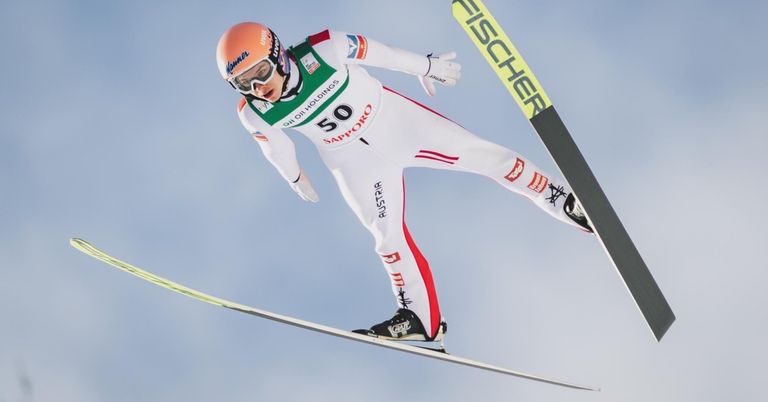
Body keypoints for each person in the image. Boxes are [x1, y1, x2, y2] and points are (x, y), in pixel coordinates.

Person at [216, 22, 592, 345]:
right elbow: (275, 149)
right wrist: (295, 177)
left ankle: (560, 198)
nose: (258, 87)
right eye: (243, 83)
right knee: (388, 240)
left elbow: (382, 54)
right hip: (353, 163)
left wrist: (424, 66)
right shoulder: (254, 113)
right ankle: (421, 322)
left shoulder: (325, 49)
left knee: (490, 158)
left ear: (278, 55)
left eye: (261, 72)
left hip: (396, 124)